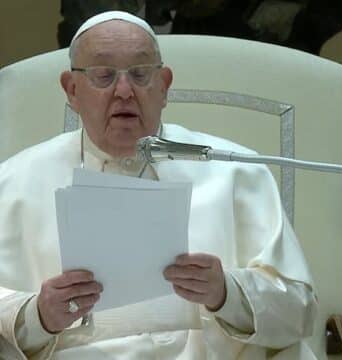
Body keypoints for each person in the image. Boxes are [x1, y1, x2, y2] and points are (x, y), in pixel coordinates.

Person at [0, 11, 318, 360]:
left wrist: (226, 293)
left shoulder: (237, 172)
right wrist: (39, 316)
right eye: (103, 76)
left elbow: (298, 312)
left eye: (140, 74)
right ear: (72, 90)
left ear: (164, 85)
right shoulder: (14, 182)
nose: (124, 92)